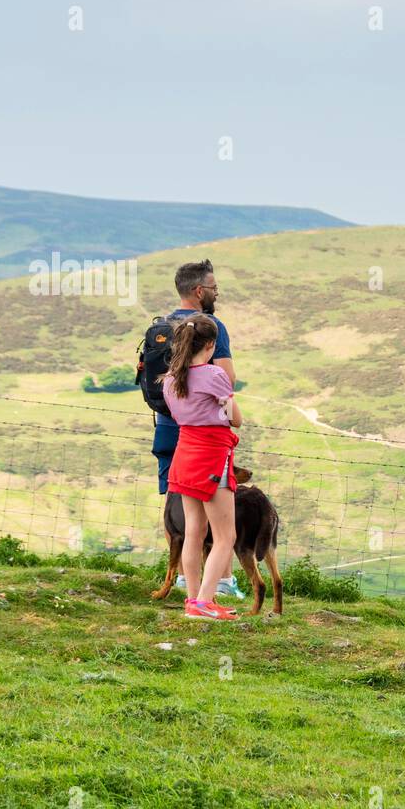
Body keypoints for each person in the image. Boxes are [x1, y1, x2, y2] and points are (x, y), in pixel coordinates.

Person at [152, 258, 245, 599]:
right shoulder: (210, 326)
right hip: (207, 441)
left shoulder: (162, 326)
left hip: (169, 430)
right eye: (214, 288)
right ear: (199, 290)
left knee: (181, 516)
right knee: (222, 525)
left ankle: (184, 585)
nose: (216, 293)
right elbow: (229, 390)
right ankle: (218, 585)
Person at [161, 314, 242, 621]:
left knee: (194, 531)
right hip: (211, 455)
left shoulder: (170, 379)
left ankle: (193, 599)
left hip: (184, 454)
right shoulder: (214, 375)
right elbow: (235, 418)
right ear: (210, 345)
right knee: (225, 536)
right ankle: (205, 603)